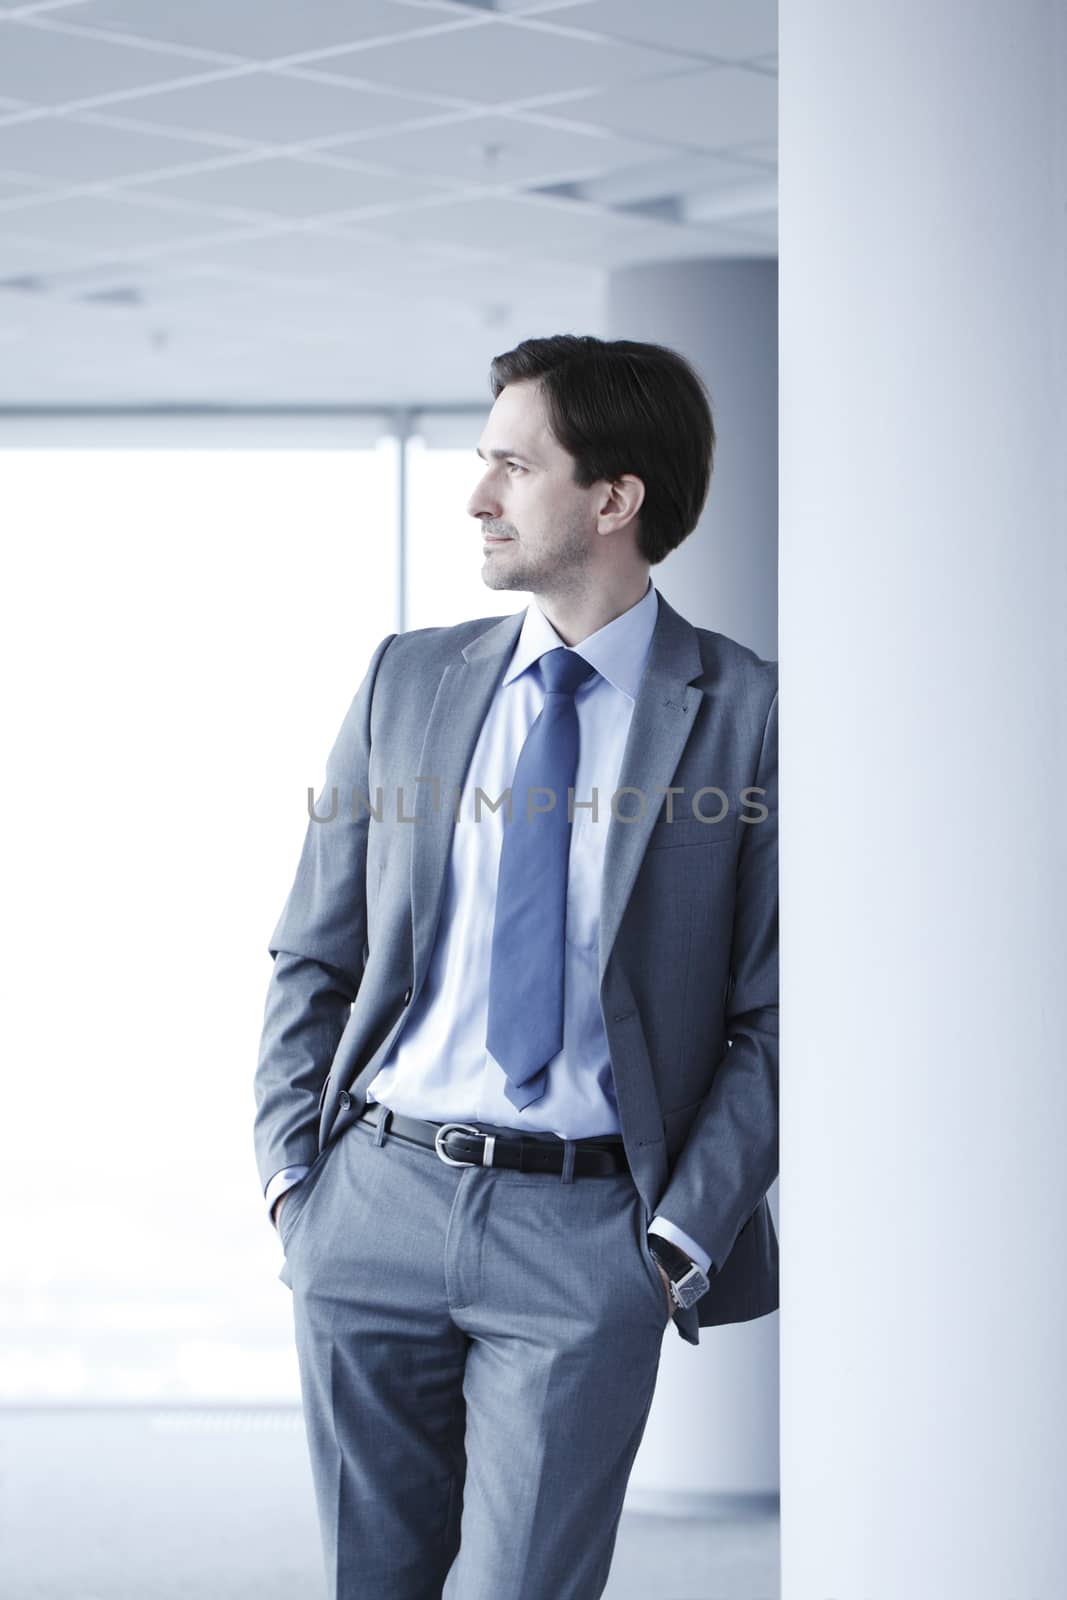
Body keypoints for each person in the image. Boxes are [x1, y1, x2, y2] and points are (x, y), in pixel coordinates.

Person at [252, 333, 779, 1600]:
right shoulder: (408, 680)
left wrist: (668, 1238)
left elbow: (776, 1017)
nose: (478, 497)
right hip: (374, 1201)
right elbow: (314, 948)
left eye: (509, 465)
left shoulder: (749, 714)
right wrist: (293, 1183)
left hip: (585, 1236)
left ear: (612, 500)